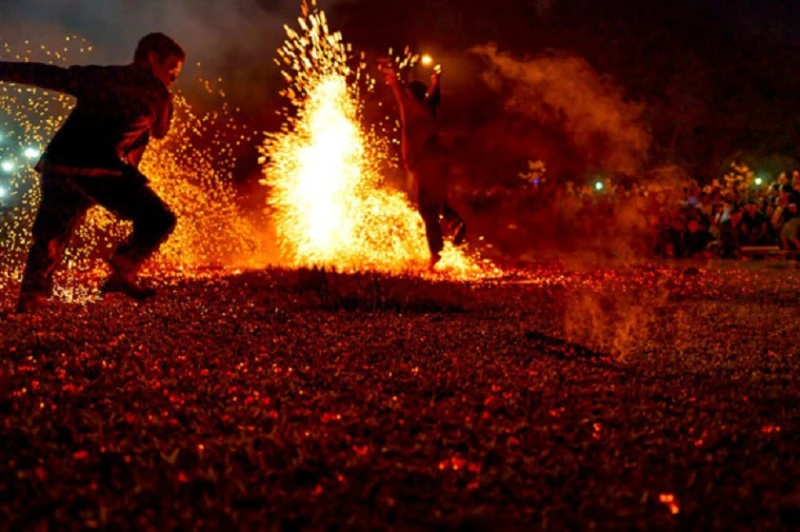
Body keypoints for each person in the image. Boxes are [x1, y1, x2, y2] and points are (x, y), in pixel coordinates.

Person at [0, 33, 185, 313]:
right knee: (159, 219)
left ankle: (30, 300)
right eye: (171, 66)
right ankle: (122, 270)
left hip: (61, 165)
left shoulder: (101, 77)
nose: (173, 75)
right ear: (151, 58)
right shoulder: (158, 95)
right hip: (100, 171)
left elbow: (48, 75)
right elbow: (160, 131)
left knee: (52, 234)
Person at [379, 59, 465, 268]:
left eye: (407, 93)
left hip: (426, 162)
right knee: (437, 200)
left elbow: (399, 92)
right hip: (438, 159)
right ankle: (455, 222)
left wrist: (392, 77)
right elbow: (434, 96)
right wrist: (436, 80)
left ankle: (435, 253)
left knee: (427, 209)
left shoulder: (411, 107)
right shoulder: (428, 107)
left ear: (411, 94)